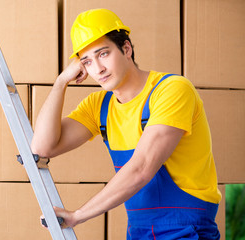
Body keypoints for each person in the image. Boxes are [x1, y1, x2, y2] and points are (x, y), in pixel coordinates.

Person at [31, 8, 221, 239]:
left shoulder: (171, 90)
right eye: (87, 62)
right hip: (139, 231)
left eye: (103, 54)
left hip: (185, 229)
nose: (98, 69)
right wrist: (61, 82)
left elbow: (142, 168)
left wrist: (78, 215)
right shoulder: (99, 105)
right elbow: (41, 148)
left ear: (126, 48)